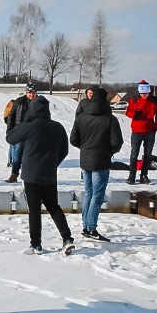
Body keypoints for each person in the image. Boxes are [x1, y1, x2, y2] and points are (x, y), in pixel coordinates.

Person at [6, 95, 74, 255]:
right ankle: (67, 238)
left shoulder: (30, 126)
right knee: (53, 206)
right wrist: (52, 163)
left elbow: (10, 138)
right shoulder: (57, 127)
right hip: (49, 174)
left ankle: (36, 245)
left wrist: (11, 119)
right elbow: (64, 150)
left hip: (31, 175)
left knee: (34, 209)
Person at [70, 87, 124, 242]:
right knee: (97, 195)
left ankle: (86, 226)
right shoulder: (110, 119)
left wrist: (85, 148)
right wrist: (108, 152)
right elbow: (117, 142)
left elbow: (73, 140)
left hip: (85, 159)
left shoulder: (81, 117)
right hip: (101, 160)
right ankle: (91, 227)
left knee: (89, 192)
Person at [124, 79, 157, 184]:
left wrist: (156, 126)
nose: (144, 96)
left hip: (150, 131)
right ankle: (132, 175)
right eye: (142, 93)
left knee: (148, 155)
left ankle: (144, 175)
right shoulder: (134, 99)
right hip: (136, 131)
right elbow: (127, 112)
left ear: (149, 92)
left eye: (146, 93)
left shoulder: (155, 100)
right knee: (134, 154)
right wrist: (134, 115)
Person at [5, 83, 38, 182]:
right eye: (29, 93)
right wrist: (10, 130)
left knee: (33, 155)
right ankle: (14, 174)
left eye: (33, 93)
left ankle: (32, 175)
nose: (31, 95)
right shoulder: (19, 101)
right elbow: (11, 116)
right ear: (26, 93)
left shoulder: (40, 102)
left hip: (34, 132)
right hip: (20, 131)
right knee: (17, 154)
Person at [2, 98, 16, 168]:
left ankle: (9, 161)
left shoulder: (6, 112)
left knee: (11, 146)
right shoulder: (12, 114)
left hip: (9, 131)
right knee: (14, 146)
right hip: (14, 131)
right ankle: (13, 162)